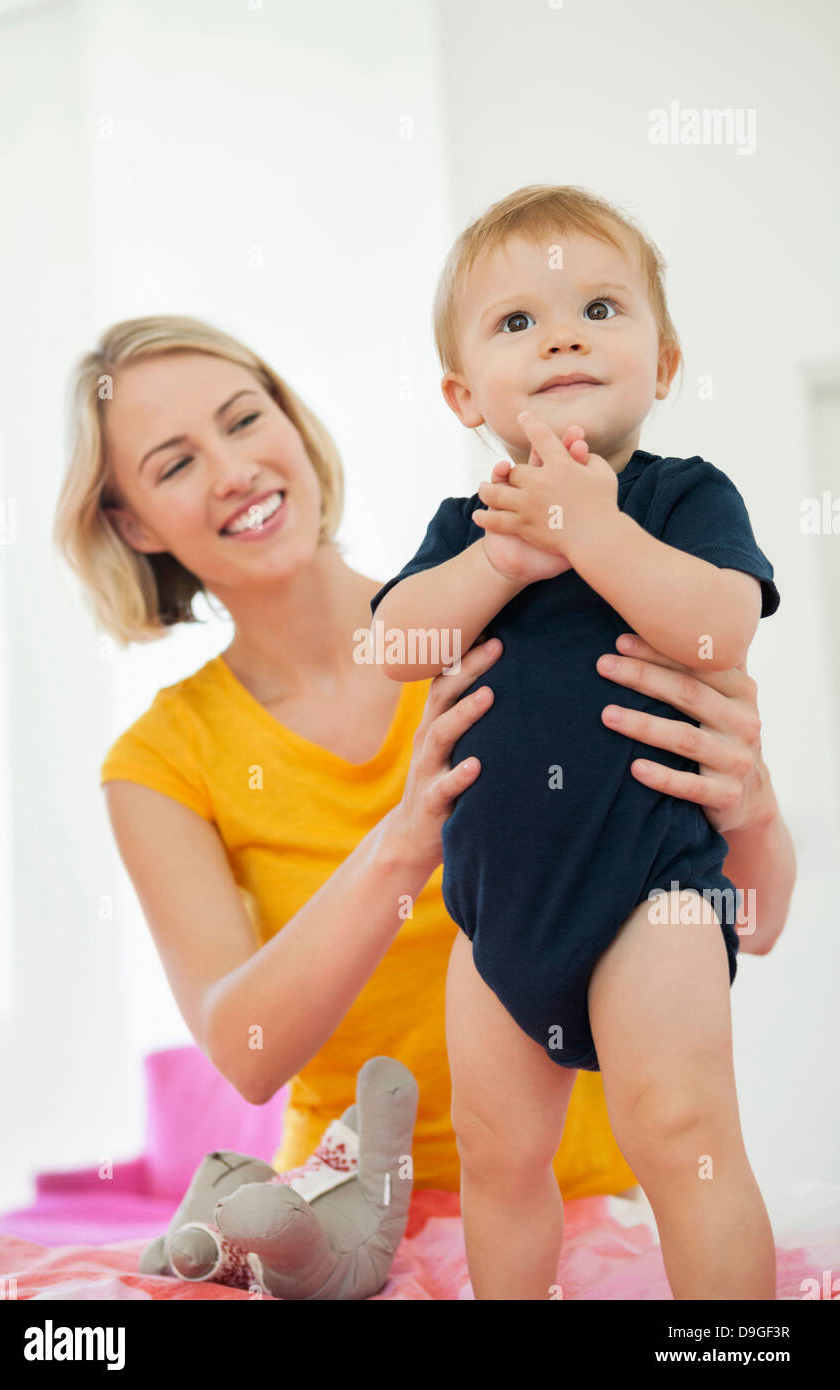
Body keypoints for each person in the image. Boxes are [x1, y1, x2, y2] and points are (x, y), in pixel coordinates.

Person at [53, 312, 795, 1223]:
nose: (233, 471)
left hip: (581, 1210)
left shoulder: (523, 610)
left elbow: (755, 926)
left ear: (291, 423)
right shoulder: (161, 759)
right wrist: (405, 842)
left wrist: (751, 807)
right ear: (131, 523)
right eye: (175, 465)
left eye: (244, 419)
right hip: (349, 1221)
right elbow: (247, 1053)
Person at [371, 184, 787, 1299]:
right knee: (497, 1156)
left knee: (682, 1131)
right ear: (464, 395)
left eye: (600, 308)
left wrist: (591, 531)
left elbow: (719, 628)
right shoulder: (469, 528)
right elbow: (395, 644)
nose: (561, 336)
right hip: (495, 912)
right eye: (517, 321)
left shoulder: (681, 498)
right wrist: (500, 560)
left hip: (652, 892)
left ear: (663, 364)